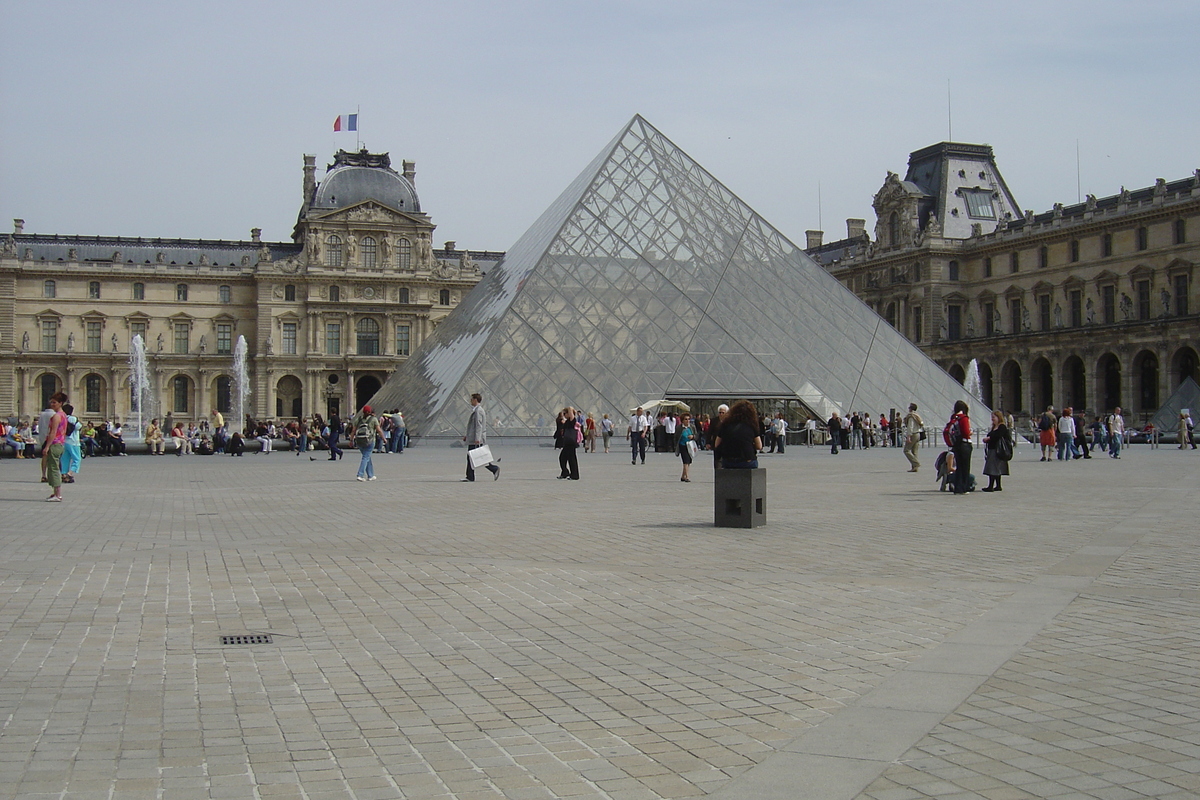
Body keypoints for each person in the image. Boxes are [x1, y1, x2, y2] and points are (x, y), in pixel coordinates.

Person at [714, 400, 762, 469]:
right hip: (747, 460)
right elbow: (759, 446)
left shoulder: (725, 425)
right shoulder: (752, 425)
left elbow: (717, 444)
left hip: (728, 460)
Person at [463, 392, 500, 481]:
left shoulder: (478, 411)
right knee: (475, 457)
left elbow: (478, 425)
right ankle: (471, 476)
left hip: (476, 439)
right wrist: (467, 436)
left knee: (472, 457)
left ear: (476, 400)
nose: (470, 401)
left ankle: (472, 476)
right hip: (474, 438)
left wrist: (477, 438)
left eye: (471, 399)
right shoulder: (477, 410)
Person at [42, 392, 68, 501]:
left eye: (54, 402)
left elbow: (53, 432)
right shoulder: (64, 415)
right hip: (60, 443)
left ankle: (58, 494)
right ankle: (55, 493)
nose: (52, 404)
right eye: (51, 402)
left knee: (53, 469)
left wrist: (47, 446)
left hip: (54, 444)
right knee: (54, 467)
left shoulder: (57, 416)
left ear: (60, 403)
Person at [350, 404, 383, 481]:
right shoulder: (373, 419)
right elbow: (379, 430)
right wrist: (383, 438)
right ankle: (360, 474)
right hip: (370, 441)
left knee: (367, 457)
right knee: (365, 457)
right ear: (369, 412)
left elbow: (353, 431)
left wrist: (351, 440)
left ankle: (370, 475)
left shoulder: (358, 419)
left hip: (360, 441)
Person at [945, 400, 973, 494]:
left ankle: (957, 487)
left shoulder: (954, 418)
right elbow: (966, 433)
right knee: (965, 467)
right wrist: (970, 432)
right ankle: (964, 488)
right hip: (965, 445)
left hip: (956, 445)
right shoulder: (964, 418)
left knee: (959, 467)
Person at [982, 410, 1010, 492]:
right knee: (997, 469)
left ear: (998, 417)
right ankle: (998, 486)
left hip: (997, 450)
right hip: (993, 449)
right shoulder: (994, 427)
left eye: (993, 417)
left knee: (993, 468)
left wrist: (989, 438)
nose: (992, 419)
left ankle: (990, 486)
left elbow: (998, 436)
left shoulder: (1002, 427)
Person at [556, 406, 581, 480]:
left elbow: (570, 410)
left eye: (564, 413)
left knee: (571, 459)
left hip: (570, 443)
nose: (563, 415)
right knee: (563, 458)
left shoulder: (572, 420)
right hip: (567, 442)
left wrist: (570, 408)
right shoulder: (567, 421)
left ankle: (574, 475)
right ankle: (565, 472)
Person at [60, 403, 82, 483]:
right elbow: (78, 427)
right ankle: (70, 473)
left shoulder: (62, 418)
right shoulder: (73, 418)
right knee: (77, 459)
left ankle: (63, 474)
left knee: (65, 458)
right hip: (73, 441)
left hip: (64, 441)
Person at [902, 403, 924, 472]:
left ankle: (916, 463)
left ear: (911, 409)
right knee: (914, 451)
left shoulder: (911, 417)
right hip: (918, 434)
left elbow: (910, 427)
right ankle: (914, 468)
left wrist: (908, 436)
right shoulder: (917, 416)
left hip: (913, 434)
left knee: (906, 450)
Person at [677, 412, 696, 482]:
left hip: (690, 445)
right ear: (682, 420)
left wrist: (693, 436)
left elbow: (696, 435)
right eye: (686, 419)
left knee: (689, 461)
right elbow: (676, 437)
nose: (687, 421)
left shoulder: (692, 427)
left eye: (688, 419)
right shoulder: (679, 428)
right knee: (685, 461)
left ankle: (683, 476)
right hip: (683, 445)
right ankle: (687, 476)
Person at [710, 403, 729, 469]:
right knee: (717, 461)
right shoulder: (714, 420)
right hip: (716, 444)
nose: (721, 414)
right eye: (720, 412)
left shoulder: (730, 421)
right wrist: (708, 442)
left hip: (726, 444)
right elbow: (710, 431)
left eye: (723, 413)